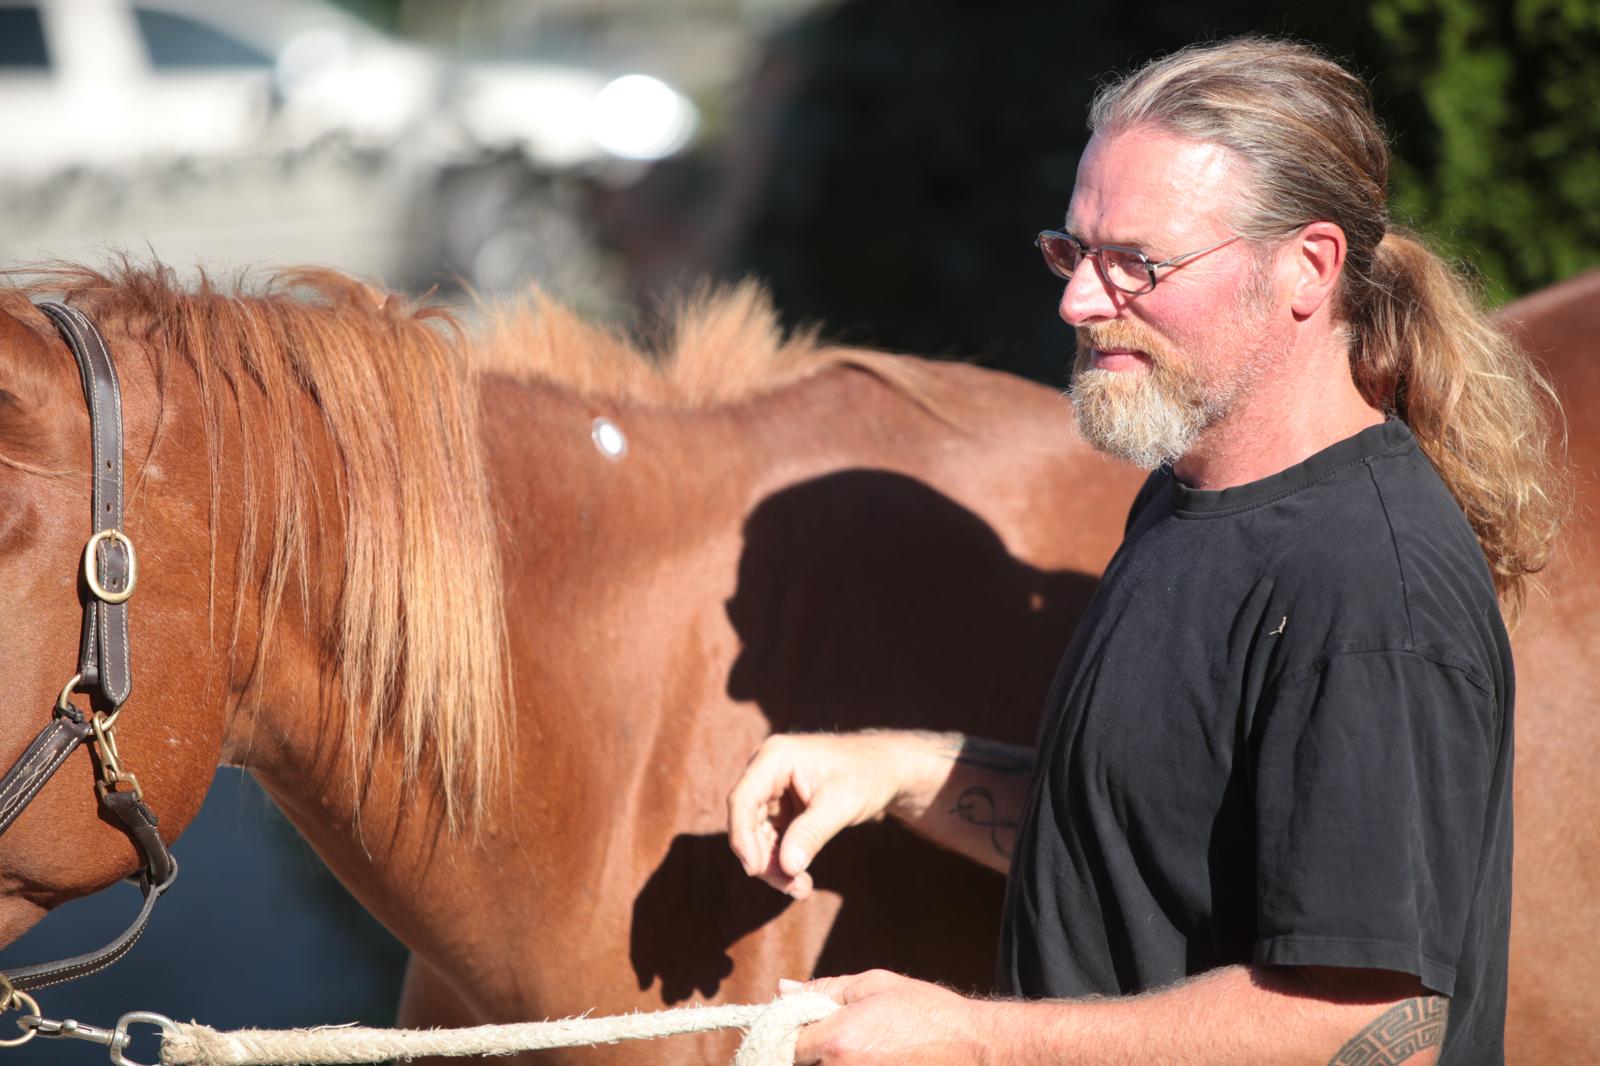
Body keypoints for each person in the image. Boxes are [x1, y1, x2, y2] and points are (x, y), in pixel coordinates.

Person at [725, 38, 1566, 1065]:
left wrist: (969, 1038)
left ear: (1306, 267)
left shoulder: (1367, 588)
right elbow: (1134, 846)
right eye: (1072, 252)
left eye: (1137, 263)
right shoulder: (1183, 500)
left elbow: (1366, 1022)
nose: (1079, 301)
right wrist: (901, 770)